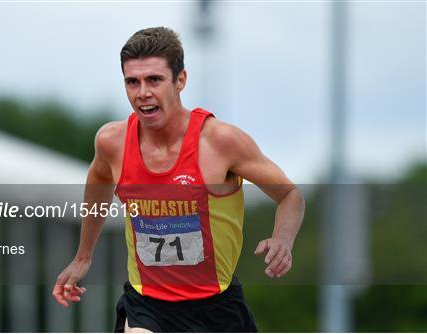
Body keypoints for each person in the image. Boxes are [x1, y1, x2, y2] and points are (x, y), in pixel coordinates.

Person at [52, 27, 305, 332]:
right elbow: (98, 186)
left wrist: (282, 240)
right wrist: (83, 257)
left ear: (180, 80)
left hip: (217, 308)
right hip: (147, 304)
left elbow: (290, 195)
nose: (142, 92)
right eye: (132, 82)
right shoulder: (111, 143)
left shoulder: (221, 142)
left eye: (154, 80)